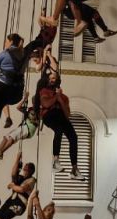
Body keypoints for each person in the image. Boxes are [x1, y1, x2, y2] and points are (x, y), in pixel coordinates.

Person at [33, 48, 82, 180]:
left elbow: (67, 114)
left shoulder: (64, 97)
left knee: (73, 137)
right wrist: (46, 54)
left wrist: (60, 99)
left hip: (60, 116)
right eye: (51, 78)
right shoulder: (44, 91)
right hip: (49, 115)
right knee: (59, 130)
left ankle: (74, 169)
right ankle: (56, 161)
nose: (52, 79)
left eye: (54, 78)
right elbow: (46, 104)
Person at [0, 91, 38, 163]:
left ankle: (0, 153)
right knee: (6, 137)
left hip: (28, 128)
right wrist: (24, 99)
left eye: (35, 102)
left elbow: (39, 120)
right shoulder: (29, 109)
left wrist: (35, 120)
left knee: (12, 137)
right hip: (24, 126)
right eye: (33, 101)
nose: (34, 103)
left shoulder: (39, 111)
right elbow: (18, 107)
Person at [0, 152, 37, 219]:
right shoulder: (20, 178)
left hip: (20, 202)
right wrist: (17, 159)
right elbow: (13, 173)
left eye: (26, 167)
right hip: (12, 200)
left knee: (4, 217)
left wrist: (12, 186)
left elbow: (22, 189)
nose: (24, 168)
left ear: (30, 170)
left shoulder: (32, 180)